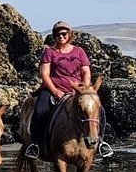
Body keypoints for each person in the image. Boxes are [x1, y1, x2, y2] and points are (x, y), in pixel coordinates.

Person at [25, 21, 114, 159]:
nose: (60, 37)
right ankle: (35, 145)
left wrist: (84, 89)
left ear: (69, 35)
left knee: (99, 110)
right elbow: (44, 74)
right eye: (57, 34)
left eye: (64, 34)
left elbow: (86, 72)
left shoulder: (79, 51)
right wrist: (55, 91)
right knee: (40, 110)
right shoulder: (50, 52)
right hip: (53, 90)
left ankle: (101, 143)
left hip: (77, 91)